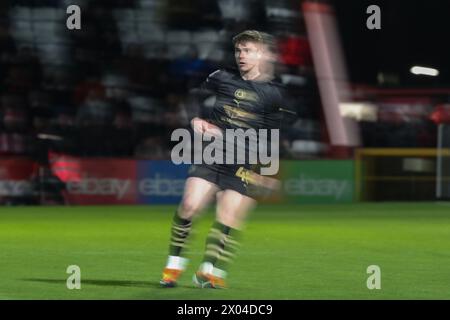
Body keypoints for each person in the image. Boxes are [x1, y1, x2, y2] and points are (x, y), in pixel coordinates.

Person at [160, 30, 296, 289]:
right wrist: (196, 119)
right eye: (239, 50)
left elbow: (272, 137)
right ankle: (173, 266)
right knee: (189, 205)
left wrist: (267, 172)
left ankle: (208, 272)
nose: (241, 55)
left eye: (248, 50)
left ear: (263, 54)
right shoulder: (220, 78)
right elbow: (194, 101)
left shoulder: (275, 95)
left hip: (243, 162)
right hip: (212, 155)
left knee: (228, 218)